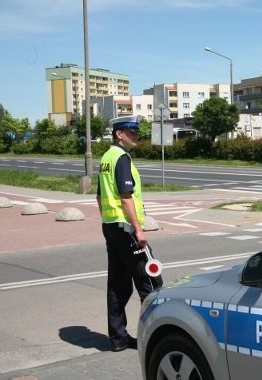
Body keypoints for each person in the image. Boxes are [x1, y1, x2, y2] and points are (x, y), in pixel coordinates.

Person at [96, 115, 162, 352]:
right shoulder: (122, 158)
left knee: (118, 284)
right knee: (151, 280)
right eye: (131, 132)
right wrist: (138, 228)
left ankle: (118, 338)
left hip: (111, 226)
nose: (136, 135)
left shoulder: (106, 158)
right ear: (119, 134)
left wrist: (108, 222)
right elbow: (126, 197)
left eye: (136, 132)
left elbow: (99, 196)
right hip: (126, 228)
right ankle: (157, 334)